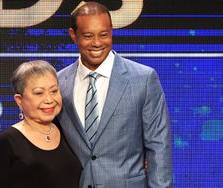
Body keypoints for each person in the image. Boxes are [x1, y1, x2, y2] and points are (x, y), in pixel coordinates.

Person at [57, 2, 173, 188]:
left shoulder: (143, 78)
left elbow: (158, 147)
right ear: (73, 35)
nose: (97, 43)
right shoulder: (58, 83)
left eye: (104, 34)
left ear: (111, 31)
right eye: (88, 36)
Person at [0, 60, 81, 188]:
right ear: (19, 100)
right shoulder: (7, 142)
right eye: (39, 93)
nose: (49, 100)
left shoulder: (68, 130)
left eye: (54, 91)